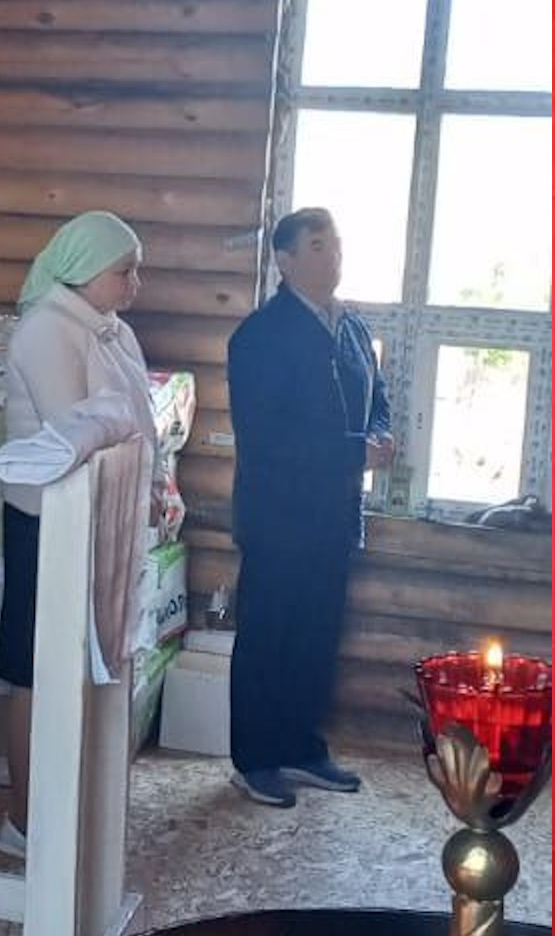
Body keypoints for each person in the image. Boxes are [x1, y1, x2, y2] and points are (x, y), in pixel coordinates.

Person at [0, 210, 160, 858]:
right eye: (124, 271)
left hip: (102, 522)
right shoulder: (46, 330)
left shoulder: (112, 330)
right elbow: (75, 431)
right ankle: (23, 823)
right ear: (85, 269)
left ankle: (71, 810)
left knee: (91, 664)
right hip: (47, 523)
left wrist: (151, 485)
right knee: (37, 670)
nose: (135, 283)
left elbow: (136, 420)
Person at [226, 207, 393, 808]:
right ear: (286, 259)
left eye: (337, 245)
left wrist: (379, 435)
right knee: (267, 636)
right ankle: (255, 760)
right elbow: (268, 437)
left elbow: (378, 395)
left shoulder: (350, 326)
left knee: (316, 636)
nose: (333, 257)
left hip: (335, 514)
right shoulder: (260, 336)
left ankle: (301, 747)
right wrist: (355, 452)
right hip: (278, 518)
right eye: (318, 246)